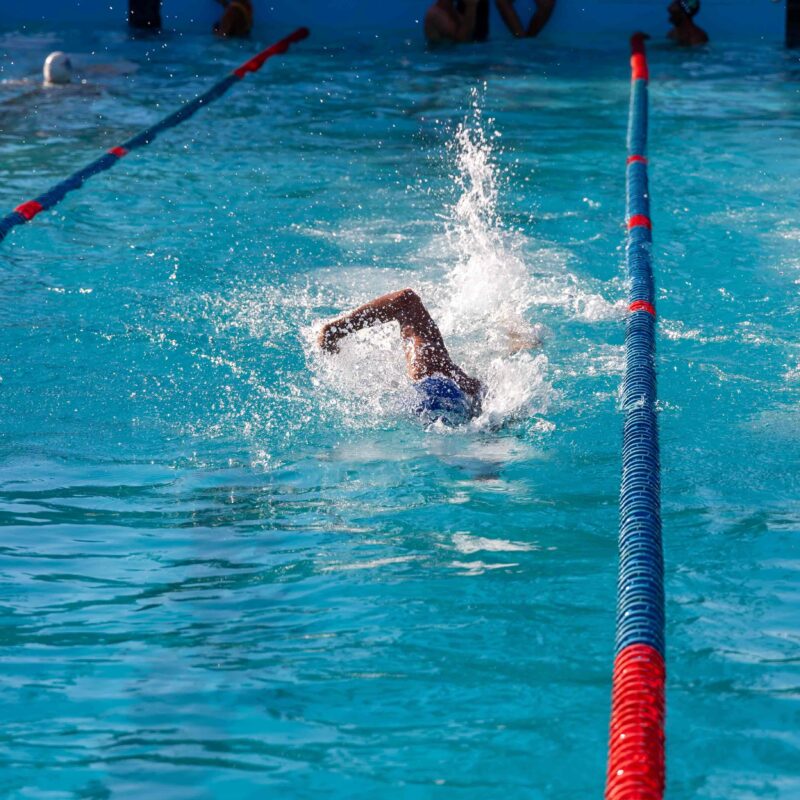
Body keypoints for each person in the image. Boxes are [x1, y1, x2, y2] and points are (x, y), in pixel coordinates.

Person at [318, 288, 485, 426]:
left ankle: (335, 332)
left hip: (430, 396)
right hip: (454, 413)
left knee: (407, 302)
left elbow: (404, 299)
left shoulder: (431, 363)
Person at [424, 0, 490, 44]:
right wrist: (471, 6)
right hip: (441, 61)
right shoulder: (436, 14)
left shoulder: (452, 11)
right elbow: (462, 40)